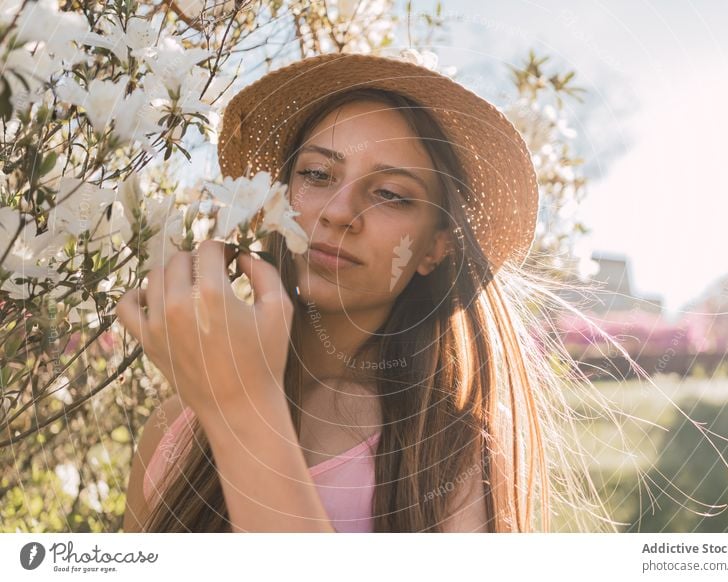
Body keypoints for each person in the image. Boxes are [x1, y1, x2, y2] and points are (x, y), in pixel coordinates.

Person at [116, 52, 622, 533]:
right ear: (274, 197)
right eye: (316, 174)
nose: (339, 211)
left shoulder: (451, 452)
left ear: (435, 247)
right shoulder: (173, 431)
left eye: (390, 195)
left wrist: (240, 412)